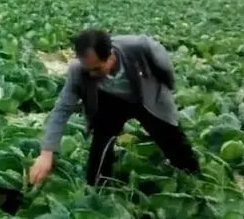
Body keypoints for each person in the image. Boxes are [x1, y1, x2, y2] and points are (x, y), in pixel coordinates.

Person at [29, 29, 200, 187]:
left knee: (172, 139)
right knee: (100, 145)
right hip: (111, 99)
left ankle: (194, 178)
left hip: (143, 95)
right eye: (88, 69)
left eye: (96, 69)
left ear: (111, 57)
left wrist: (163, 94)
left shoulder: (141, 47)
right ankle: (99, 188)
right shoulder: (79, 68)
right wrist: (46, 153)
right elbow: (62, 109)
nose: (92, 75)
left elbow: (166, 73)